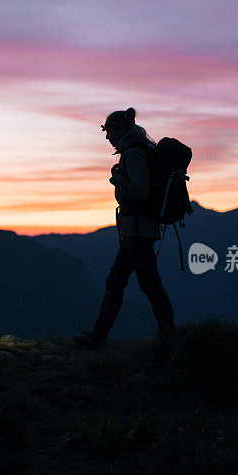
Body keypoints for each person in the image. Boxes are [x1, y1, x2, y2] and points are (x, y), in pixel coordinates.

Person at [73, 107, 177, 350]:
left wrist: (118, 180)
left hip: (138, 231)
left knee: (148, 283)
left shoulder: (133, 153)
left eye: (108, 131)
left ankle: (170, 337)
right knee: (117, 282)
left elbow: (141, 190)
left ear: (119, 129)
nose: (107, 137)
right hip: (136, 230)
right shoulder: (140, 149)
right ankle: (98, 337)